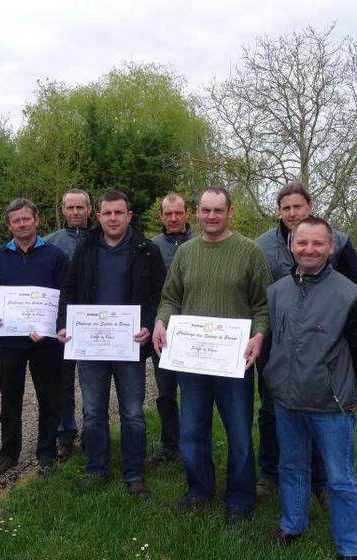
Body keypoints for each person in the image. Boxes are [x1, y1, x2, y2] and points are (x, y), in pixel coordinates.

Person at [153, 186, 272, 525]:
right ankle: (199, 488)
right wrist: (161, 322)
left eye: (218, 210)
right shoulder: (187, 253)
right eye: (205, 210)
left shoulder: (250, 252)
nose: (211, 216)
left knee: (238, 431)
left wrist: (259, 334)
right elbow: (171, 297)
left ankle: (239, 498)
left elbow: (263, 305)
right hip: (192, 360)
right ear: (197, 213)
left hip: (235, 360)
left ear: (231, 212)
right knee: (192, 430)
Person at [263, 216, 357, 560]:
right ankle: (292, 524)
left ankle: (349, 545)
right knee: (292, 466)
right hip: (286, 400)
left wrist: (337, 384)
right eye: (302, 243)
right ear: (290, 246)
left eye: (317, 243)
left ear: (331, 247)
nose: (308, 249)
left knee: (340, 478)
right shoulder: (277, 291)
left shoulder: (350, 294)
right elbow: (272, 343)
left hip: (332, 405)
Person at [253, 181, 357, 501]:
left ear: (309, 207)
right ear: (279, 211)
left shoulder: (339, 242)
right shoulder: (261, 246)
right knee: (271, 411)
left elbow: (356, 291)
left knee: (321, 415)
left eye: (297, 207)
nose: (291, 212)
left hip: (324, 349)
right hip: (278, 346)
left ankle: (322, 481)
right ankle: (270, 473)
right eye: (285, 207)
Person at [57, 190, 165, 499]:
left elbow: (159, 293)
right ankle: (96, 468)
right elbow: (69, 289)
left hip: (129, 345)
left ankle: (134, 474)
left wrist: (148, 323)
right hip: (91, 347)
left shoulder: (147, 249)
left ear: (129, 215)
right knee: (93, 411)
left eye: (119, 212)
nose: (113, 218)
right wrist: (65, 323)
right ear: (99, 216)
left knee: (132, 412)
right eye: (107, 213)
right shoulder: (86, 248)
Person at [0, 198, 68, 478]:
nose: (21, 224)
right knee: (10, 399)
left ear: (36, 221)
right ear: (9, 225)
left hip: (46, 343)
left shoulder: (56, 256)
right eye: (16, 221)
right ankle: (8, 452)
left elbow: (65, 296)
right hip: (10, 342)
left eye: (26, 219)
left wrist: (53, 326)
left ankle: (46, 452)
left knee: (49, 398)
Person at [148, 193, 196, 465]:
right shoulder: (152, 246)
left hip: (195, 331)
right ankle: (170, 444)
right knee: (166, 391)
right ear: (161, 216)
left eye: (179, 212)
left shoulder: (201, 242)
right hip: (164, 330)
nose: (174, 218)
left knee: (193, 392)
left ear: (187, 213)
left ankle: (193, 442)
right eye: (168, 213)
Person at [45, 188, 92, 459]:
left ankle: (91, 431)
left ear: (88, 209)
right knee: (62, 381)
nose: (75, 212)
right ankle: (65, 434)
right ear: (63, 210)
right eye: (70, 208)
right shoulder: (51, 243)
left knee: (91, 381)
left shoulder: (100, 240)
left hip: (92, 324)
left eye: (80, 207)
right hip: (61, 324)